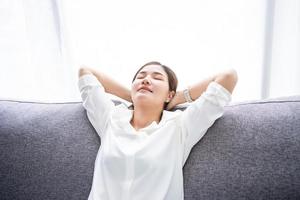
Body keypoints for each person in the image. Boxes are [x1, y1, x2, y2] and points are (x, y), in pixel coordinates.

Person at [77, 61, 238, 200]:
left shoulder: (180, 126)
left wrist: (179, 97)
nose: (146, 80)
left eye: (157, 78)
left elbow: (228, 76)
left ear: (169, 94)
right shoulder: (110, 119)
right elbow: (85, 72)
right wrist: (134, 94)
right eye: (141, 77)